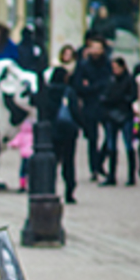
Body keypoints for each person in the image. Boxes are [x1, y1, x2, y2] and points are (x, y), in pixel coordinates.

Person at [71, 37, 112, 181]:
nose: (95, 51)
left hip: (106, 104)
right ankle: (94, 167)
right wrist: (93, 88)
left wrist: (91, 86)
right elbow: (78, 86)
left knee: (109, 137)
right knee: (92, 138)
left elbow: (110, 83)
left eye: (98, 48)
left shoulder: (107, 64)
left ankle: (100, 161)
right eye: (93, 48)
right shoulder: (83, 65)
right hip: (90, 105)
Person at [44, 68, 82, 204]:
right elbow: (75, 111)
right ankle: (69, 192)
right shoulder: (68, 91)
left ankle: (50, 190)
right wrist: (80, 125)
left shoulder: (47, 91)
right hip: (68, 132)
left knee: (51, 163)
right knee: (69, 162)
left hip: (51, 132)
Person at [99, 57, 138, 187]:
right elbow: (105, 95)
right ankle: (112, 175)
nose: (115, 70)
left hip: (125, 114)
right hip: (111, 115)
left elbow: (131, 96)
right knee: (111, 146)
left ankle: (131, 175)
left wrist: (116, 98)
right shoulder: (110, 80)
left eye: (117, 67)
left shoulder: (128, 80)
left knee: (128, 145)